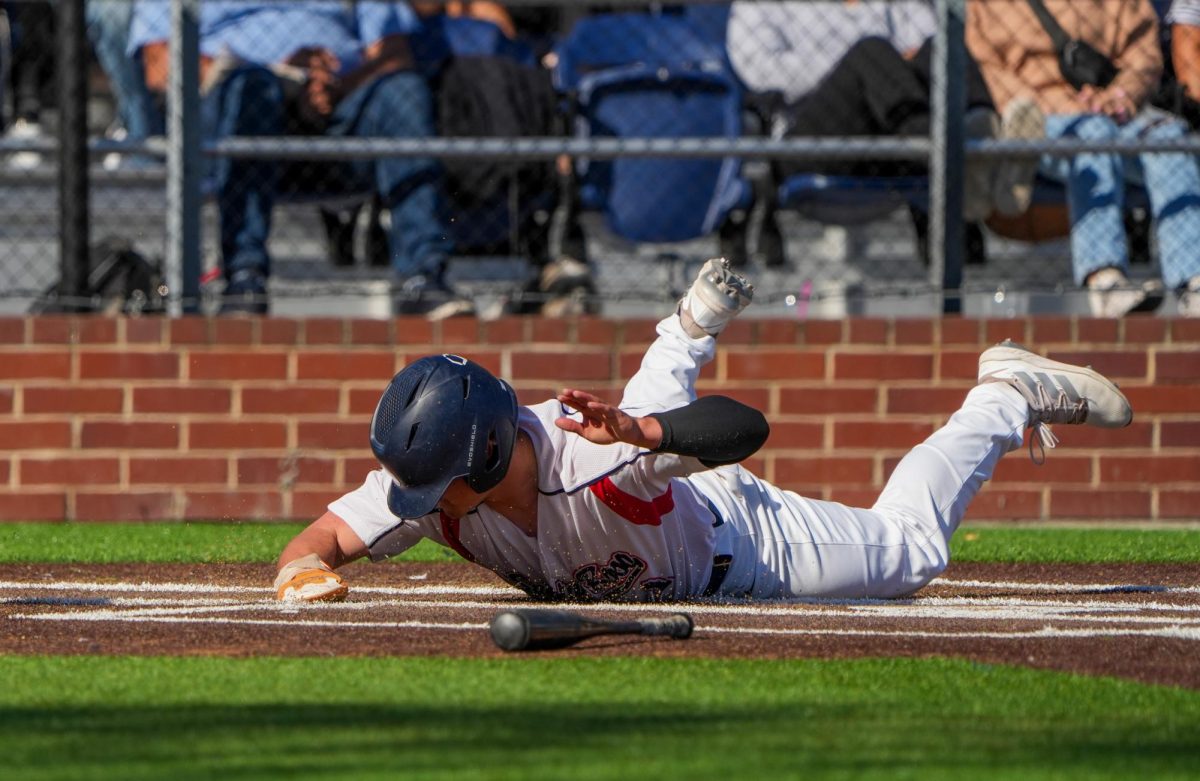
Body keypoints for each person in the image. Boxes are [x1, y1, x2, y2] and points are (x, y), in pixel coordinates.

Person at [273, 257, 1133, 604]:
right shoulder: (438, 478)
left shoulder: (586, 457)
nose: (423, 508)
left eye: (437, 488)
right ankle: (686, 327)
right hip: (642, 488)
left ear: (490, 453)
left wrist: (644, 432)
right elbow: (318, 539)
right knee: (640, 424)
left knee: (909, 555)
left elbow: (744, 428)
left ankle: (1003, 395)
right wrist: (303, 572)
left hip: (740, 541)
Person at [128, 0, 471, 318]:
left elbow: (394, 52)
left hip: (341, 105)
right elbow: (160, 65)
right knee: (251, 89)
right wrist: (279, 73)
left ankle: (423, 277)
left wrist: (333, 85)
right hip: (235, 109)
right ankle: (243, 278)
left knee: (403, 90)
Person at [967, 0, 1200, 318]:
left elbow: (1143, 54)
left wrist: (1119, 96)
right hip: (1039, 118)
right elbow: (987, 66)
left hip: (1113, 110)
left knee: (1169, 136)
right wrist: (1052, 105)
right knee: (1092, 134)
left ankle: (1192, 280)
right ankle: (1104, 279)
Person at [728, 0, 1046, 222]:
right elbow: (761, 71)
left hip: (890, 137)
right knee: (871, 52)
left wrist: (889, 63)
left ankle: (983, 135)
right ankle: (954, 162)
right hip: (808, 140)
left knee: (941, 46)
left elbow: (923, 38)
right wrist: (852, 63)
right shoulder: (758, 5)